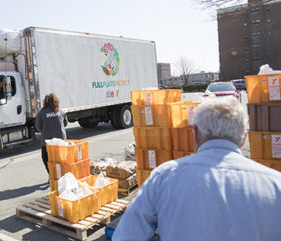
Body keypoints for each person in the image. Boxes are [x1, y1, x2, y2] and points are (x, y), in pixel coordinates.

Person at [113, 96, 281, 241]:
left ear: (195, 133)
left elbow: (127, 235)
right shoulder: (275, 184)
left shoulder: (164, 178)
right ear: (244, 137)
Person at [35, 93, 68, 173]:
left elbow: (38, 127)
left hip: (47, 141)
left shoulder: (41, 113)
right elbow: (65, 123)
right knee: (60, 158)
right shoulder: (60, 111)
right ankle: (62, 173)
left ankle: (51, 174)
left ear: (45, 102)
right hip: (61, 140)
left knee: (46, 158)